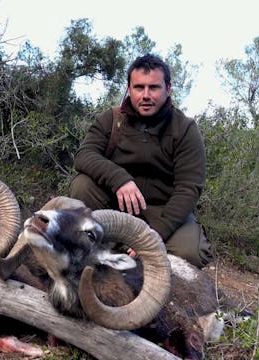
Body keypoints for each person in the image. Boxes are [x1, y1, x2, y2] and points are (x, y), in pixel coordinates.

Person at [69, 53, 212, 268]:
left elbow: (188, 188)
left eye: (153, 87)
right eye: (138, 87)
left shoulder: (185, 128)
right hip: (116, 207)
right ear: (129, 88)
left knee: (190, 254)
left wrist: (156, 234)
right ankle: (102, 253)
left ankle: (144, 267)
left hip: (163, 212)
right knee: (82, 184)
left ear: (168, 88)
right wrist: (119, 179)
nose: (145, 95)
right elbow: (84, 156)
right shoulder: (110, 119)